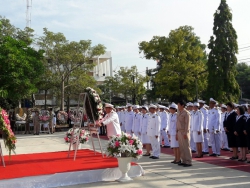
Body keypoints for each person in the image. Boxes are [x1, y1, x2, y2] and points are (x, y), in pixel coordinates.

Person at [176, 100, 192, 167]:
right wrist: (177, 132)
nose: (178, 106)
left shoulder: (186, 113)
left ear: (182, 105)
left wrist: (185, 133)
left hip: (184, 131)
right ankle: (184, 160)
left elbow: (187, 124)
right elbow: (177, 123)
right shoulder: (179, 112)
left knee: (186, 147)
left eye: (179, 105)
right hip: (179, 131)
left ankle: (188, 161)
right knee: (181, 147)